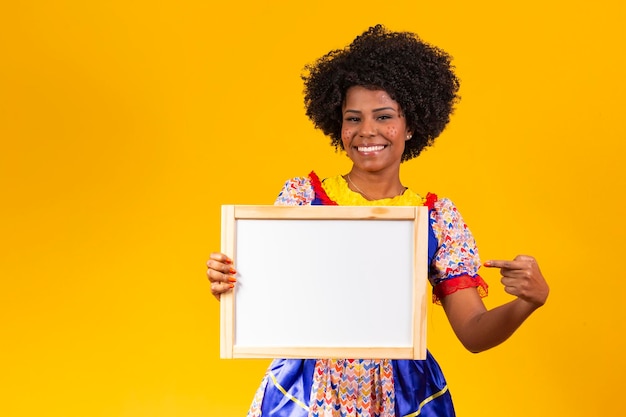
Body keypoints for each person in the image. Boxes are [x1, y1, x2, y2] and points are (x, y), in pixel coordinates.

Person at [206, 24, 549, 417]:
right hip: (309, 391)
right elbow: (271, 300)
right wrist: (232, 284)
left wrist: (527, 303)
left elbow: (473, 332)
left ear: (411, 125)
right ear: (338, 125)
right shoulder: (303, 198)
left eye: (384, 116)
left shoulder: (437, 218)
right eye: (353, 118)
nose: (366, 131)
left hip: (402, 395)